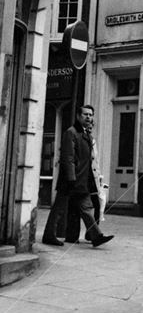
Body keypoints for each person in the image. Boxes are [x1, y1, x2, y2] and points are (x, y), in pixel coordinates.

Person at [42, 103, 113, 248]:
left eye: (90, 115)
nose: (88, 117)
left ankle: (96, 236)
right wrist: (71, 179)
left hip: (81, 181)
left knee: (87, 209)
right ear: (78, 116)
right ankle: (49, 235)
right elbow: (68, 158)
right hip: (70, 180)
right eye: (85, 114)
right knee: (59, 209)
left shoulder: (86, 134)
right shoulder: (71, 132)